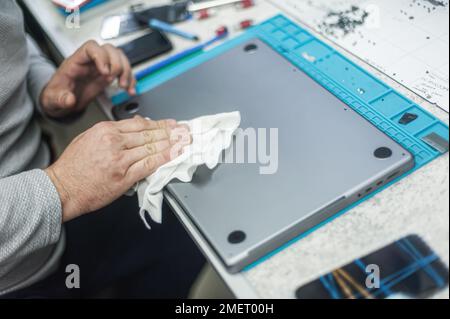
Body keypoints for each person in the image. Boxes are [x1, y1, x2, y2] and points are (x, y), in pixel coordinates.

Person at [0, 0, 204, 298]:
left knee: (189, 227)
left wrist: (48, 90)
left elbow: (11, 39)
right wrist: (63, 187)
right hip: (16, 277)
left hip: (52, 222)